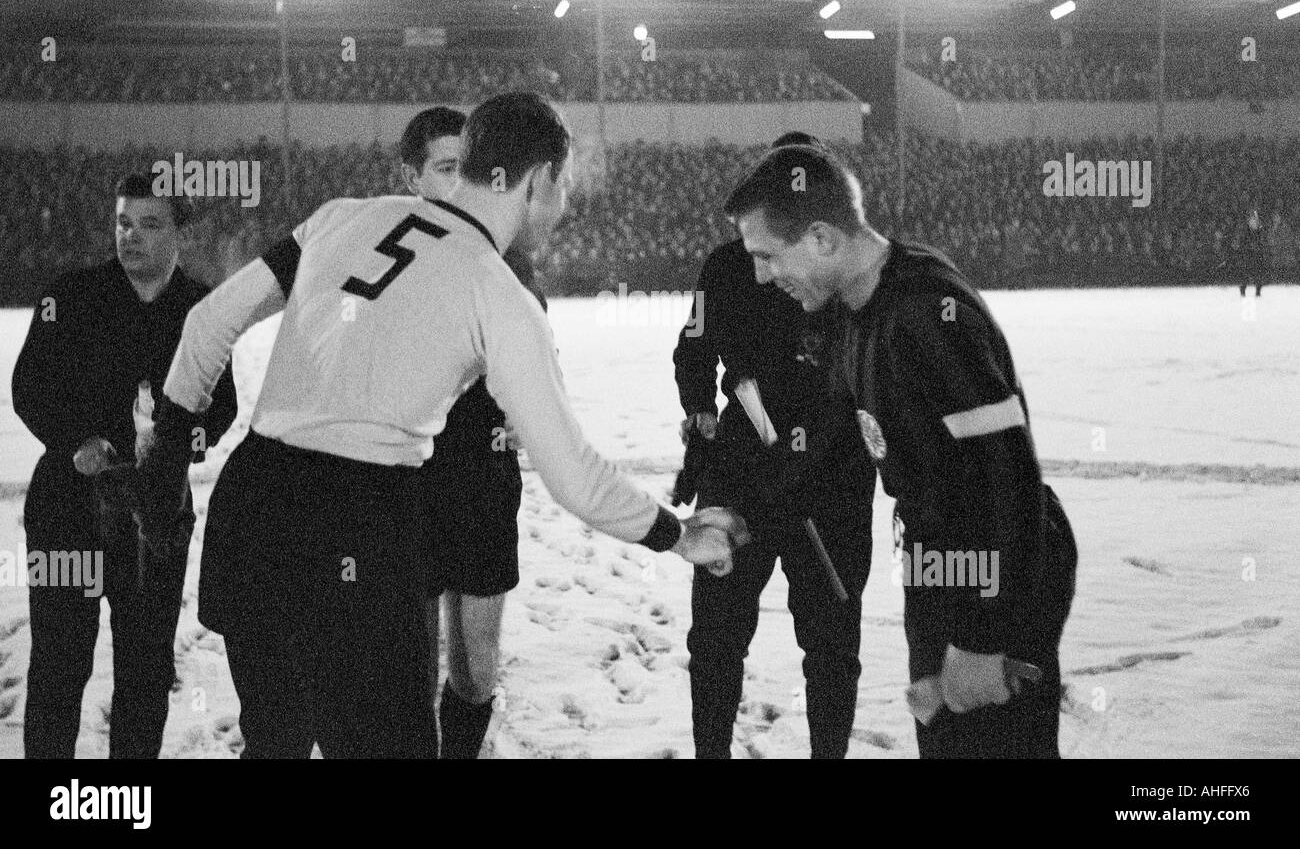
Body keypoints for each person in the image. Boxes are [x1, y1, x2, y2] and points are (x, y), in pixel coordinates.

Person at [133, 92, 746, 758]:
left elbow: (208, 322)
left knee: (276, 740)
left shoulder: (343, 216)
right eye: (562, 186)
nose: (564, 206)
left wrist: (163, 467)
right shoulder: (498, 293)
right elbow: (573, 472)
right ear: (535, 179)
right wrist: (677, 534)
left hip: (253, 505)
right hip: (359, 517)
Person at [723, 144, 1076, 759]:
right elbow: (832, 438)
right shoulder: (857, 307)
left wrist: (981, 638)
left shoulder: (925, 315)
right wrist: (746, 519)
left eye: (767, 256)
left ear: (823, 240)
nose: (760, 275)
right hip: (939, 561)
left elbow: (1007, 475)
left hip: (996, 566)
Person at [11, 173, 237, 759]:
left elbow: (224, 403)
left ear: (178, 233)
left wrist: (178, 440)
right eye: (123, 223)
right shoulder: (74, 295)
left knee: (143, 672)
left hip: (154, 520)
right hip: (68, 508)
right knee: (60, 667)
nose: (131, 236)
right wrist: (73, 443)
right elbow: (28, 385)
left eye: (150, 224)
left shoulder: (199, 309)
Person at [673, 132, 875, 759]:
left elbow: (857, 388)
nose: (763, 261)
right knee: (715, 636)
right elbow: (694, 347)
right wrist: (700, 408)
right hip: (739, 473)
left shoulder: (842, 276)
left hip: (830, 488)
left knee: (832, 643)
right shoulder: (726, 266)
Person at [398, 106, 543, 758]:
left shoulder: (507, 259)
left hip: (484, 484)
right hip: (407, 486)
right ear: (413, 175)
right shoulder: (388, 257)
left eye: (469, 168)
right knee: (410, 670)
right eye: (444, 167)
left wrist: (524, 415)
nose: (459, 183)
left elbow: (532, 366)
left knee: (476, 669)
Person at [1239, 207, 1268, 297]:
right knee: (1246, 272)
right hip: (1249, 254)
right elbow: (1243, 243)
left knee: (1258, 273)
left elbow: (1263, 242)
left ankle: (1258, 290)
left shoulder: (1260, 231)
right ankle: (1243, 290)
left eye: (1255, 220)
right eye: (1251, 220)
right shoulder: (1246, 232)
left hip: (1257, 255)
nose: (1253, 222)